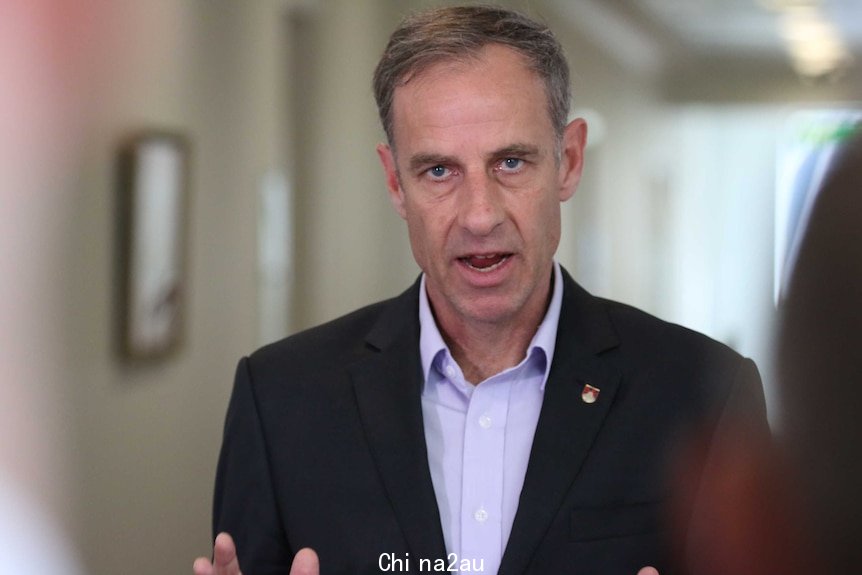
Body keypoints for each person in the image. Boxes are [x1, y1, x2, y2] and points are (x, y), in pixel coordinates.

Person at [194, 5, 766, 575]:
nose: (479, 215)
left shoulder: (704, 394)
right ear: (395, 182)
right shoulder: (279, 399)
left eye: (510, 162)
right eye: (439, 171)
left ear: (568, 162)